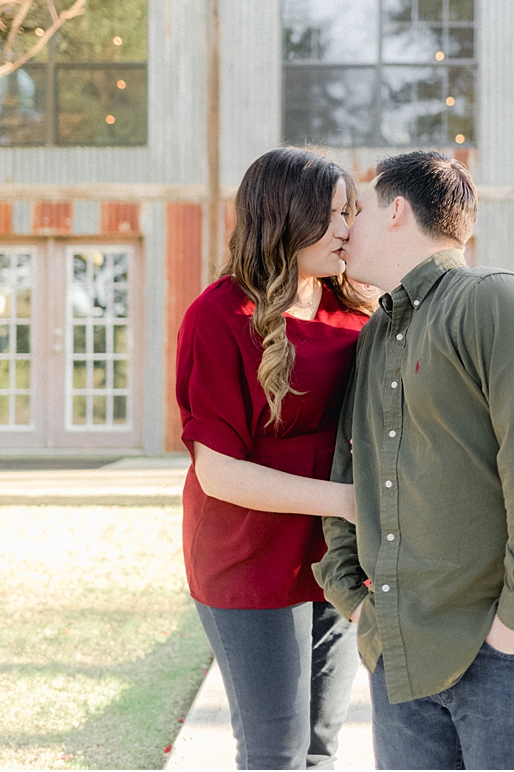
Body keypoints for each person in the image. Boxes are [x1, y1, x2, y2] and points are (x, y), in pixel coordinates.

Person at [313, 151, 514, 771]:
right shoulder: (374, 336)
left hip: (504, 656)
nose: (345, 230)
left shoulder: (497, 304)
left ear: (397, 212)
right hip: (400, 656)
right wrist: (354, 598)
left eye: (356, 211)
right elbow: (347, 475)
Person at [176, 147, 374, 770]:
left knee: (320, 744)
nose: (347, 228)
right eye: (334, 214)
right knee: (274, 750)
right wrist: (349, 500)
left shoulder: (357, 311)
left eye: (351, 212)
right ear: (285, 215)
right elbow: (218, 471)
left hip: (335, 554)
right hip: (246, 553)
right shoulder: (219, 315)